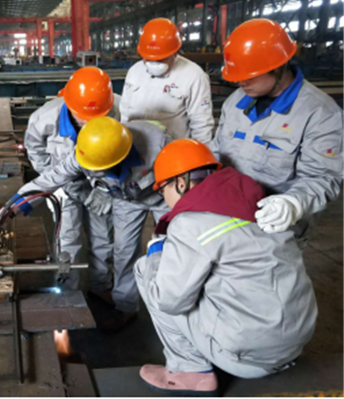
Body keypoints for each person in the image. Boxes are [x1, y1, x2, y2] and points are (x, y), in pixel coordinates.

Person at [135, 139, 317, 396]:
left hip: (249, 359)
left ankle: (190, 371)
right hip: (296, 341)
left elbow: (169, 301)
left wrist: (156, 255)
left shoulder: (190, 223)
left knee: (147, 270)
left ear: (180, 183)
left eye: (162, 189)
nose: (163, 198)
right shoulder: (262, 201)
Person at [0, 116, 172, 332]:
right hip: (126, 199)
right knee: (124, 251)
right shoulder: (85, 153)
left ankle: (171, 311)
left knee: (169, 252)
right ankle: (126, 307)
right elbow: (45, 182)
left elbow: (186, 181)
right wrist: (3, 213)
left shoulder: (159, 144)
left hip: (165, 197)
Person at [210, 18, 343, 245]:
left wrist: (293, 204)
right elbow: (217, 150)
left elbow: (323, 177)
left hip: (275, 227)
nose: (241, 82)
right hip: (227, 215)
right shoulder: (235, 102)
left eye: (249, 75)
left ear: (278, 67)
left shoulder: (321, 113)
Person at [24, 67, 122, 293]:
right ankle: (68, 292)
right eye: (82, 118)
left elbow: (123, 156)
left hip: (100, 183)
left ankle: (101, 287)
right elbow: (36, 152)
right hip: (62, 183)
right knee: (67, 237)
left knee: (102, 237)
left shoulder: (121, 111)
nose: (88, 124)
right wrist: (60, 183)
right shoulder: (43, 120)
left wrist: (107, 188)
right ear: (68, 105)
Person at [121, 18, 214, 144]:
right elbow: (125, 113)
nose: (153, 64)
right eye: (148, 58)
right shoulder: (134, 72)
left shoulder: (194, 76)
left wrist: (201, 153)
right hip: (136, 148)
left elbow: (201, 124)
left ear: (174, 53)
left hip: (173, 151)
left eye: (160, 59)